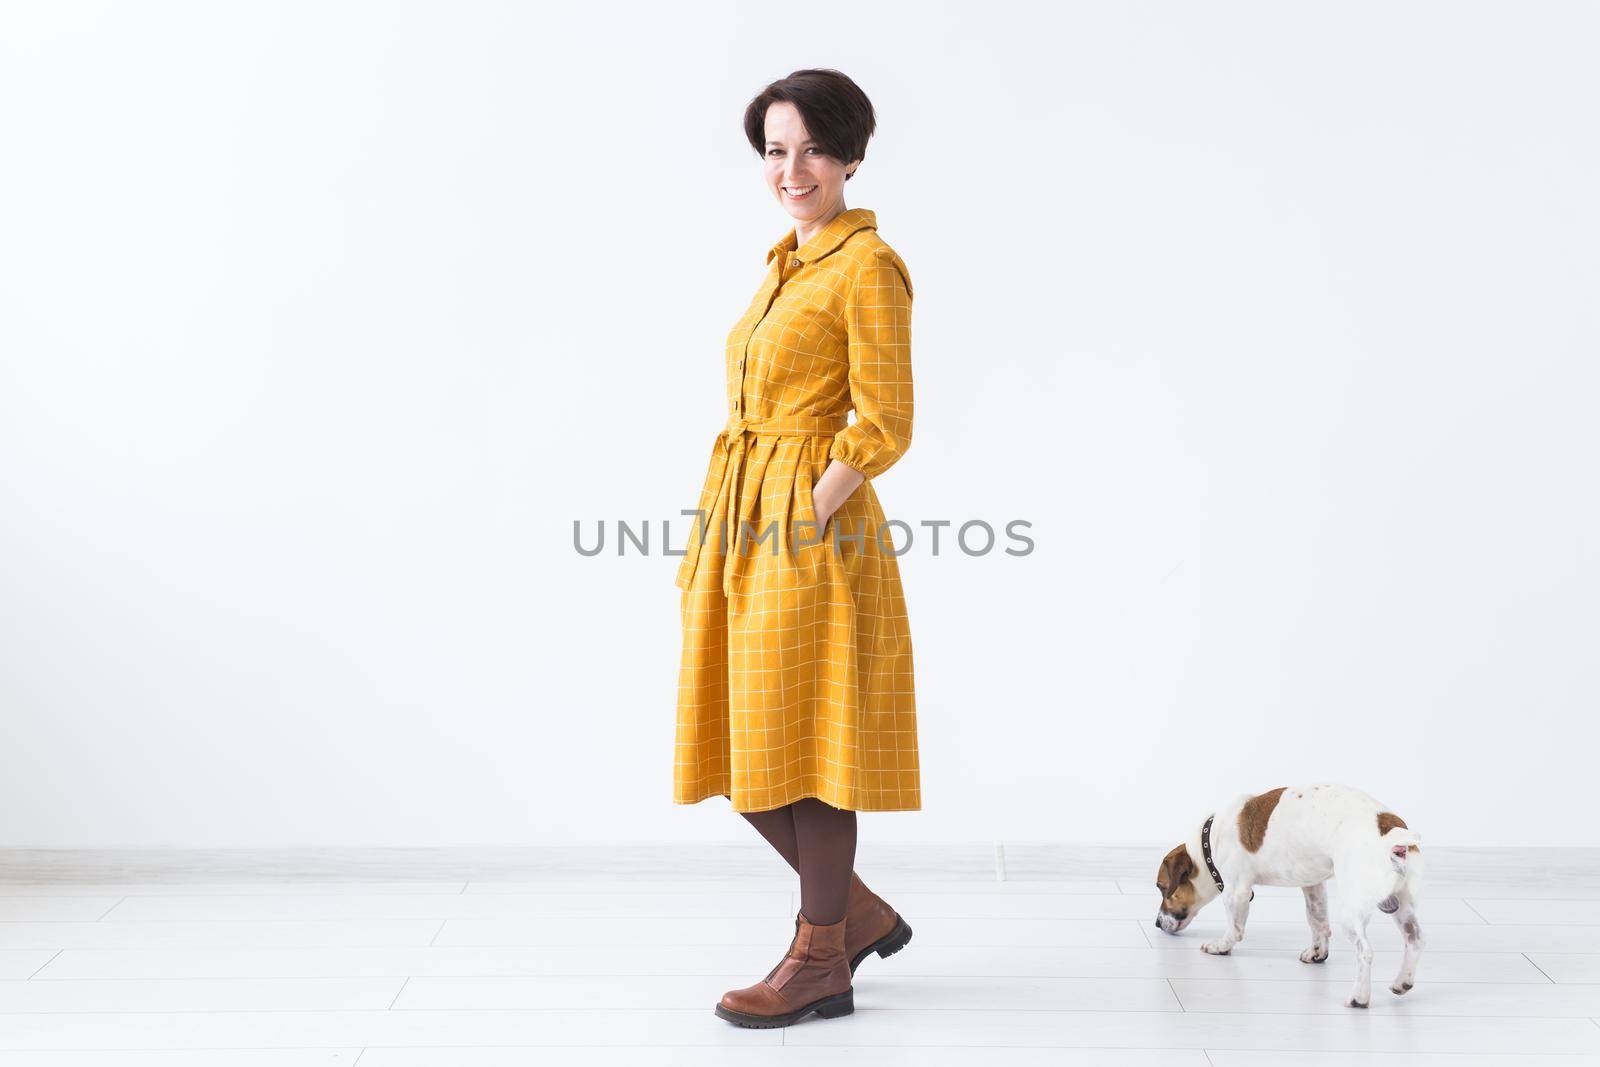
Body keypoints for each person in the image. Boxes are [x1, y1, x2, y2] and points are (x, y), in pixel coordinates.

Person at [671, 68, 921, 1028]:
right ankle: (851, 911)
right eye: (776, 149)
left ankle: (822, 957)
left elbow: (888, 418)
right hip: (743, 513)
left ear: (852, 154)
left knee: (803, 741)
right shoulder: (789, 261)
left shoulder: (867, 266)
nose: (793, 167)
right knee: (741, 733)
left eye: (813, 147)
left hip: (807, 524)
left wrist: (812, 509)